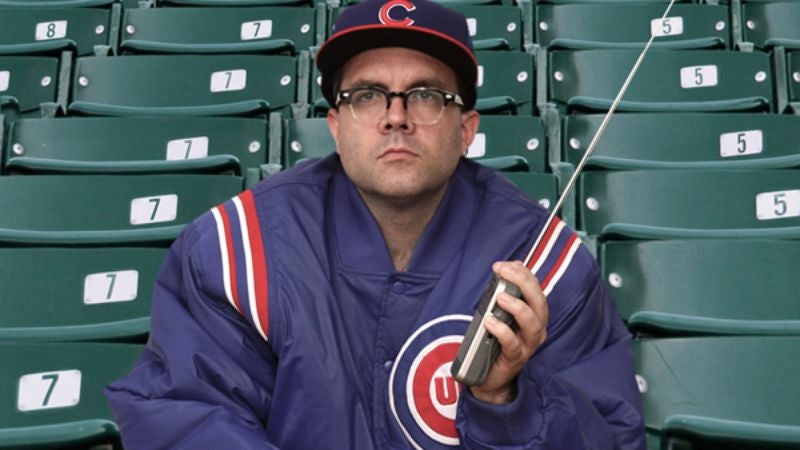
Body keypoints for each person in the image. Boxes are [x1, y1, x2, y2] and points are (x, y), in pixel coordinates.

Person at [106, 0, 645, 448]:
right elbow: (184, 413)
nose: (396, 116)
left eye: (427, 95)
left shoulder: (546, 265)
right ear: (336, 126)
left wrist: (506, 403)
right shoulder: (236, 247)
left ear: (466, 129)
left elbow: (612, 434)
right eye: (366, 95)